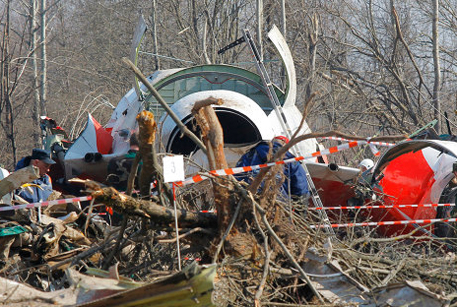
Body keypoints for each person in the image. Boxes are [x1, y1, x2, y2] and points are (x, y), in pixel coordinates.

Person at [235, 136, 309, 199]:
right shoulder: (291, 160)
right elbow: (300, 187)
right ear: (285, 145)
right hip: (279, 205)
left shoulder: (251, 153)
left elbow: (238, 174)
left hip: (248, 198)